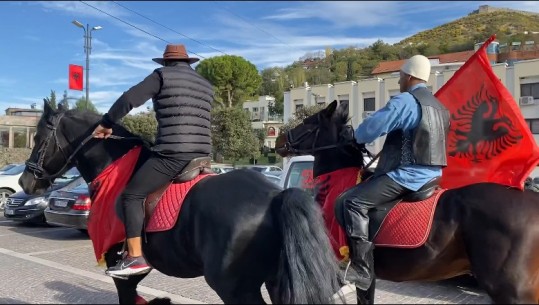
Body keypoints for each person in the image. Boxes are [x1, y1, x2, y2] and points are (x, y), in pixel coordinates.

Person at [93, 44, 214, 277]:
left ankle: (135, 257)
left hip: (173, 155)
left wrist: (107, 123)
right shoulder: (205, 84)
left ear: (166, 63)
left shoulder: (161, 76)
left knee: (132, 195)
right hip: (203, 155)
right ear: (188, 62)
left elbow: (129, 99)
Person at [337, 55, 450, 291]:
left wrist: (355, 136)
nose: (399, 81)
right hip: (434, 174)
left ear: (409, 76)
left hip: (408, 175)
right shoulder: (440, 107)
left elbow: (370, 130)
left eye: (400, 77)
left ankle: (361, 269)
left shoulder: (405, 101)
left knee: (351, 201)